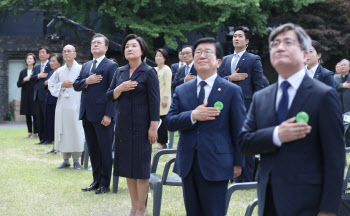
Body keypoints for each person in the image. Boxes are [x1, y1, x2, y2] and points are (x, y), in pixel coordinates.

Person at [239, 23, 345, 216]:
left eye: (288, 42)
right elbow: (244, 142)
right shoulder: (261, 97)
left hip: (308, 201)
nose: (280, 47)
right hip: (268, 199)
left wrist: (328, 209)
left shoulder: (323, 96)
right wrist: (277, 134)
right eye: (275, 43)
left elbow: (335, 158)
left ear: (305, 55)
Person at [164, 37, 246, 216]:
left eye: (208, 52)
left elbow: (239, 130)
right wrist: (193, 115)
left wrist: (238, 163)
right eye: (198, 52)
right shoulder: (182, 90)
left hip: (217, 163)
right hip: (188, 163)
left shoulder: (231, 90)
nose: (202, 56)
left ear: (218, 62)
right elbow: (169, 122)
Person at [105, 34, 159, 216]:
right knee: (127, 168)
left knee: (141, 170)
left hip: (142, 127)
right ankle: (133, 206)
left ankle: (141, 209)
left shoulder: (149, 72)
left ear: (142, 50)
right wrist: (119, 89)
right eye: (127, 46)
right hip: (122, 127)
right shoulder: (119, 72)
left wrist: (153, 127)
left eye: (133, 46)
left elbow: (154, 101)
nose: (129, 48)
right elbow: (109, 96)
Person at [218, 26, 264, 183]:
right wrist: (230, 78)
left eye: (240, 36)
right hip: (226, 105)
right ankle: (231, 174)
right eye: (234, 36)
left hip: (246, 106)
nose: (236, 38)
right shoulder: (225, 59)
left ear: (247, 41)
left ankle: (246, 177)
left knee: (246, 141)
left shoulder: (253, 59)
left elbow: (259, 86)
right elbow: (216, 80)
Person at [74, 34, 118, 193]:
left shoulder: (111, 66)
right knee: (92, 149)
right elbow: (76, 85)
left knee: (105, 149)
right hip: (87, 113)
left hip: (103, 115)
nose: (95, 45)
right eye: (93, 43)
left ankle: (105, 183)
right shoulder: (85, 66)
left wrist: (109, 114)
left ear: (106, 48)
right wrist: (87, 81)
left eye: (99, 43)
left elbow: (114, 92)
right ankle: (96, 180)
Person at [49, 45, 84, 169]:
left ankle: (76, 160)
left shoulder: (81, 68)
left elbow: (86, 84)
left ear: (75, 53)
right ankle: (65, 159)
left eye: (69, 51)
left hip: (77, 104)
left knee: (76, 130)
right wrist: (61, 85)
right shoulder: (59, 71)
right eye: (64, 52)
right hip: (63, 105)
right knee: (62, 131)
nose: (66, 54)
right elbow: (51, 85)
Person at [30, 47, 51, 144]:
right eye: (40, 53)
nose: (41, 54)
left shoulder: (51, 65)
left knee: (46, 117)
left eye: (43, 52)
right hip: (37, 96)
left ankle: (48, 138)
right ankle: (41, 138)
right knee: (39, 118)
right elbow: (31, 79)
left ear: (48, 55)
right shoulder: (37, 67)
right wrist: (39, 76)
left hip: (46, 95)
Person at [17, 53, 38, 139]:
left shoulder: (37, 71)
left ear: (34, 60)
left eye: (31, 58)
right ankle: (30, 132)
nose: (29, 60)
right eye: (27, 58)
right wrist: (24, 80)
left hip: (34, 95)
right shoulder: (23, 72)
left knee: (35, 114)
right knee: (27, 114)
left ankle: (35, 132)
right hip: (25, 96)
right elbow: (18, 84)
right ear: (25, 61)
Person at [45, 53, 63, 153]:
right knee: (51, 123)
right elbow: (45, 83)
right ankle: (54, 146)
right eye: (50, 61)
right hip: (49, 100)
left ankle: (59, 147)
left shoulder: (62, 72)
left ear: (60, 62)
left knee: (58, 124)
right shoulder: (50, 72)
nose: (51, 63)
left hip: (58, 101)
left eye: (54, 61)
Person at [154, 48, 172, 149]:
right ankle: (159, 141)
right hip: (155, 99)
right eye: (156, 56)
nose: (158, 58)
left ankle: (163, 142)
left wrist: (165, 98)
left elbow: (167, 85)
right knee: (156, 121)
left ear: (165, 58)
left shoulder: (166, 69)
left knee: (162, 122)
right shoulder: (155, 69)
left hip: (163, 100)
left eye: (160, 56)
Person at [335, 59, 350, 147]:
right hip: (338, 107)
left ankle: (349, 148)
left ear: (349, 67)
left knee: (349, 130)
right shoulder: (335, 78)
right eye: (341, 65)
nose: (342, 66)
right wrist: (342, 85)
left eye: (344, 65)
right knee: (338, 128)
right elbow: (332, 86)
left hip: (349, 107)